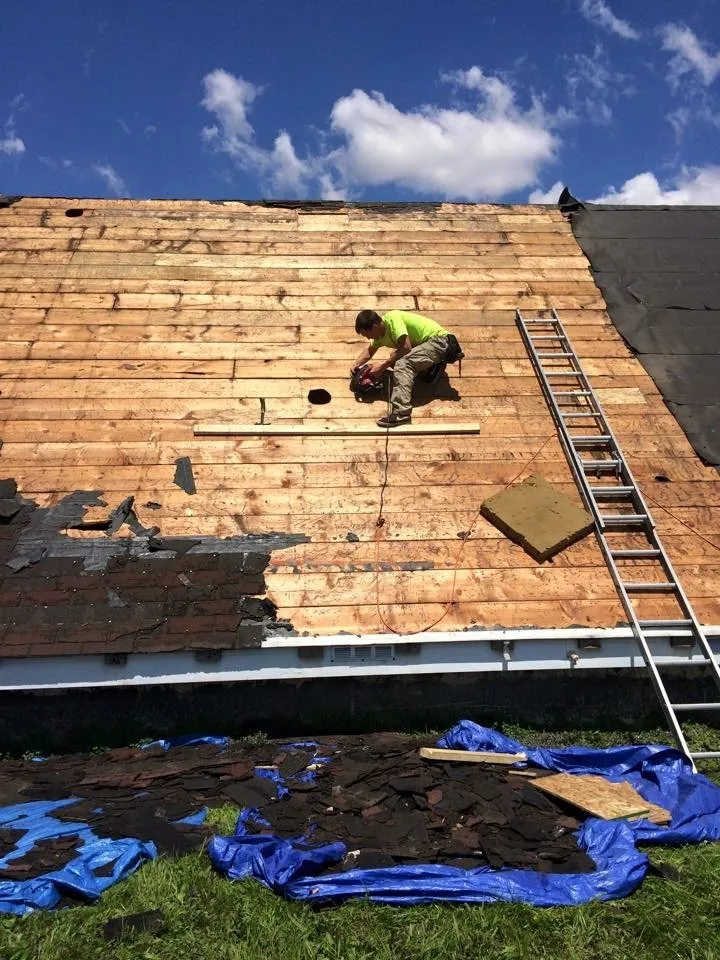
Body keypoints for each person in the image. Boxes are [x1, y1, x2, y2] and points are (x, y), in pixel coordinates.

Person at [352, 309, 461, 427]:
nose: (368, 338)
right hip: (427, 345)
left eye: (366, 334)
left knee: (402, 364)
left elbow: (406, 348)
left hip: (440, 341)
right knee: (394, 357)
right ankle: (431, 370)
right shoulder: (380, 337)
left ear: (374, 327)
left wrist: (383, 366)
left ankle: (401, 413)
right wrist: (356, 364)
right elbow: (369, 351)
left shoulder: (392, 319)